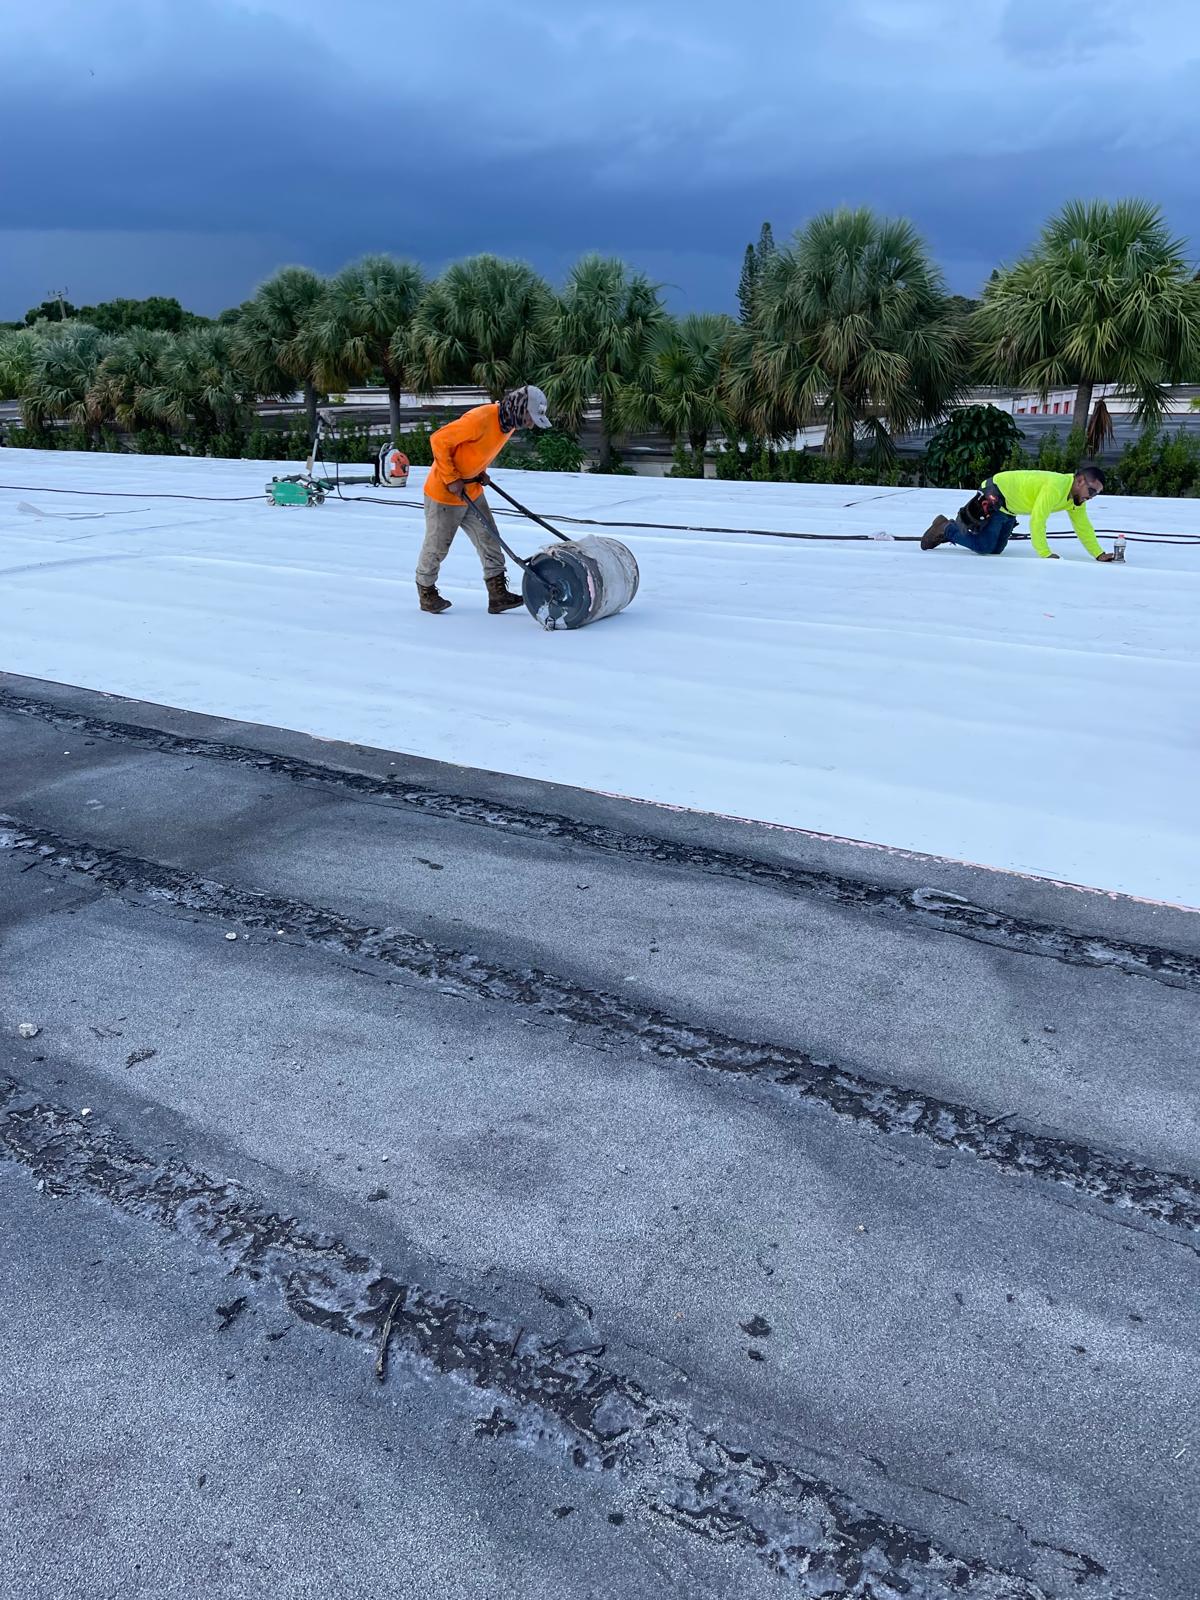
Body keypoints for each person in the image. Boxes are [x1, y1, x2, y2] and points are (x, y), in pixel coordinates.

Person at [416, 384, 553, 613]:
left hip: (471, 490)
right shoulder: (480, 418)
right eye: (529, 418)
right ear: (519, 408)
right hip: (444, 493)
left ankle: (498, 595)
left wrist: (478, 470)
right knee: (437, 546)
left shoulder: (508, 424)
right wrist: (451, 478)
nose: (530, 425)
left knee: (490, 539)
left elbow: (477, 449)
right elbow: (439, 440)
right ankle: (426, 591)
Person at [921, 467, 1116, 560]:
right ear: (1080, 481)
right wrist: (1045, 553)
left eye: (1096, 494)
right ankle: (946, 528)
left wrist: (1098, 554)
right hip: (998, 494)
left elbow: (1083, 527)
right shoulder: (1056, 487)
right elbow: (1038, 519)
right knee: (984, 547)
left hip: (1012, 508)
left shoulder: (1076, 500)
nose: (1092, 497)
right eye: (1091, 491)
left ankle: (956, 532)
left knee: (996, 550)